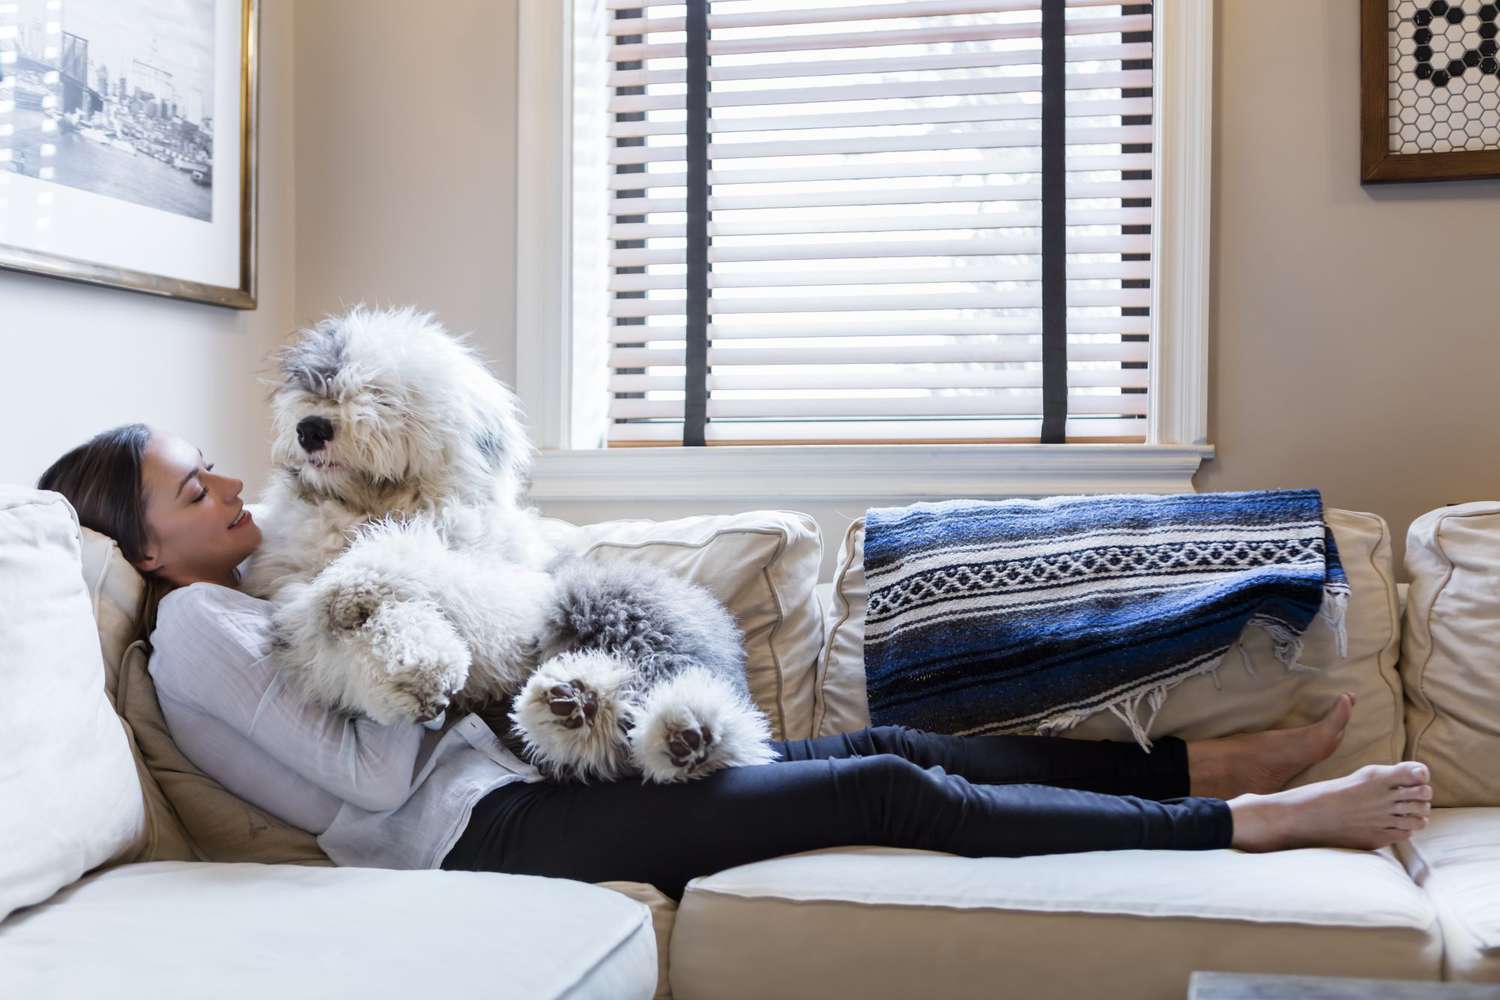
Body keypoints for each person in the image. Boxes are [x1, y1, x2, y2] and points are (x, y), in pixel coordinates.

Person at [39, 425, 1434, 901]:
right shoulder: (198, 642)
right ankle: (1247, 822)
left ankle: (1204, 761)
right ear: (143, 550)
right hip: (480, 833)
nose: (226, 480)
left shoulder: (272, 585)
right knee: (892, 800)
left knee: (891, 749)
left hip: (517, 781)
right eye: (186, 487)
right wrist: (474, 664)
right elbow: (370, 762)